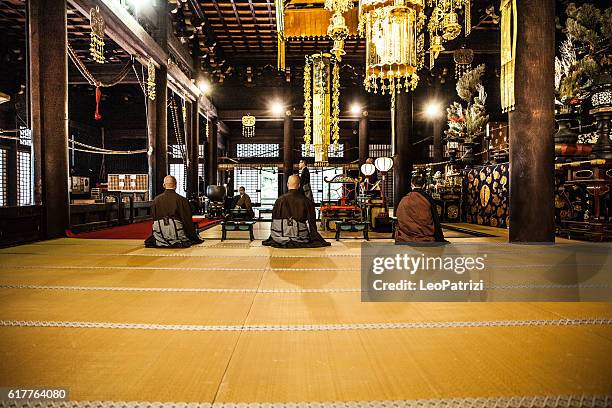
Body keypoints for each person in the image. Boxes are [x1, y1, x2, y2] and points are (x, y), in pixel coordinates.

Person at [263, 175, 330, 248]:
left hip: (279, 236)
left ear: (287, 184)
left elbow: (273, 220)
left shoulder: (279, 200)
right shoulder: (306, 201)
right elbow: (312, 223)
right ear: (299, 185)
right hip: (300, 236)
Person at [145, 175, 203, 248]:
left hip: (160, 234)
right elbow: (187, 221)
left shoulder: (156, 200)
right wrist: (194, 236)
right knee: (190, 238)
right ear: (175, 185)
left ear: (164, 185)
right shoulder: (182, 200)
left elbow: (154, 219)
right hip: (177, 233)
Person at [395, 175, 447, 244]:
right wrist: (440, 238)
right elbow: (435, 219)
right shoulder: (428, 199)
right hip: (425, 237)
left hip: (406, 236)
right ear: (424, 185)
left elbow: (400, 217)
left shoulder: (404, 199)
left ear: (412, 185)